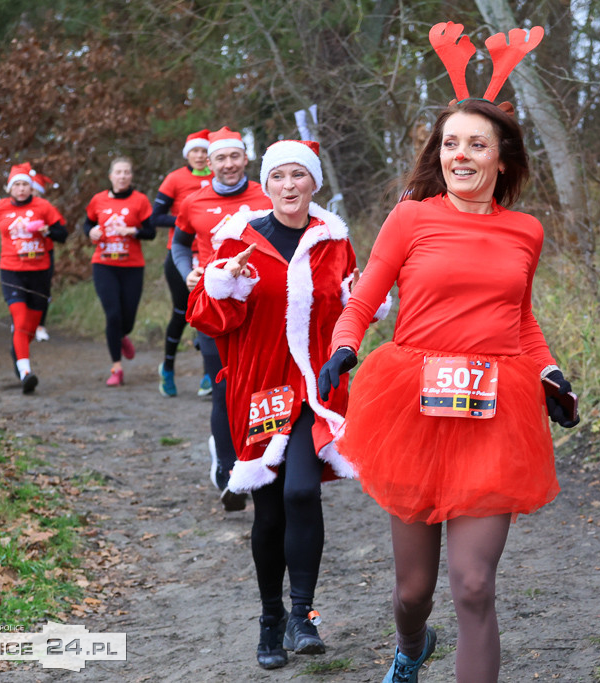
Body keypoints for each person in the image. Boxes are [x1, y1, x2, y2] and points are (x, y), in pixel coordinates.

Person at [316, 22, 578, 683]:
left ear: (501, 155)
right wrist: (344, 348)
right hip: (416, 406)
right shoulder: (412, 218)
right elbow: (361, 300)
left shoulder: (526, 231)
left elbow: (519, 318)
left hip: (496, 410)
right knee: (414, 590)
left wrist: (549, 371)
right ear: (440, 153)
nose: (462, 153)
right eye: (451, 142)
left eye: (477, 143)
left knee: (474, 585)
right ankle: (410, 645)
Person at [188, 139, 389, 670]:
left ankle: (303, 616)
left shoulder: (333, 240)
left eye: (299, 175)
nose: (289, 186)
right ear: (267, 183)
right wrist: (222, 285)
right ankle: (271, 618)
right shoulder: (238, 237)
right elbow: (204, 317)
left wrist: (367, 296)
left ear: (313, 182)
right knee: (270, 508)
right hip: (260, 388)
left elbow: (355, 306)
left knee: (302, 491)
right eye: (278, 177)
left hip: (314, 389)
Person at [172, 126, 272, 511]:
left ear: (245, 158)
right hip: (212, 309)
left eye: (235, 157)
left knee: (260, 386)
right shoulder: (193, 202)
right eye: (220, 158)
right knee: (224, 389)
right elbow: (179, 245)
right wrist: (188, 274)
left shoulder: (267, 195)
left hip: (260, 306)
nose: (228, 164)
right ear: (207, 163)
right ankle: (229, 468)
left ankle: (260, 462)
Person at [0, 163, 68, 393]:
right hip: (11, 270)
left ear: (31, 187)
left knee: (29, 329)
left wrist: (47, 232)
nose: (21, 189)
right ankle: (26, 372)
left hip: (39, 272)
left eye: (25, 185)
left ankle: (18, 350)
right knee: (20, 320)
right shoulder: (0, 208)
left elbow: (63, 234)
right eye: (17, 185)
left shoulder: (44, 206)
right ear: (10, 188)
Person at [151, 129, 214, 397]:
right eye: (195, 151)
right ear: (187, 154)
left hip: (212, 256)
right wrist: (187, 221)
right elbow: (155, 217)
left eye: (204, 151)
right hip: (181, 255)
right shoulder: (175, 179)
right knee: (180, 313)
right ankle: (167, 367)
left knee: (210, 314)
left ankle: (209, 374)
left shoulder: (218, 179)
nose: (199, 156)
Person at [83, 157, 155, 386]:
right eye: (118, 172)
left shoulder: (140, 200)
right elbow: (88, 224)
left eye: (126, 172)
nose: (122, 176)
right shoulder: (98, 200)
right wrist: (91, 232)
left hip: (132, 266)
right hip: (104, 265)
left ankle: (123, 335)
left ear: (131, 176)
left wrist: (132, 230)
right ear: (111, 176)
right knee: (113, 314)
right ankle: (116, 368)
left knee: (128, 319)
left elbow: (150, 232)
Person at [28, 170, 56, 343]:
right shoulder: (15, 207)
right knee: (22, 289)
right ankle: (22, 322)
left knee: (43, 291)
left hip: (45, 253)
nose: (30, 193)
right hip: (20, 255)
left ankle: (40, 326)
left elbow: (60, 231)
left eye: (34, 191)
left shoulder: (47, 208)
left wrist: (47, 230)